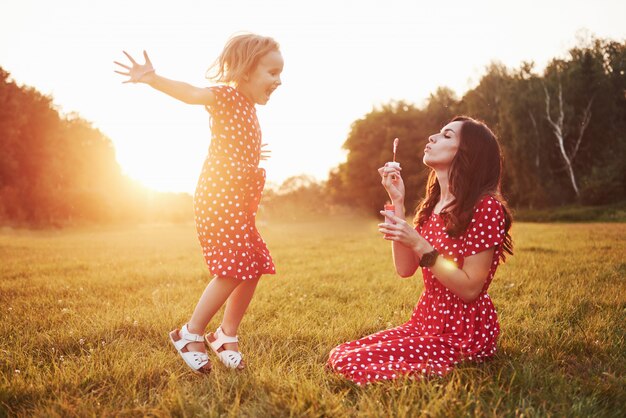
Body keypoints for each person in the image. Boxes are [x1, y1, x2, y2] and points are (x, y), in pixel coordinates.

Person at [114, 33, 284, 373]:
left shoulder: (248, 108)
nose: (278, 81)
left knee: (254, 264)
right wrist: (152, 78)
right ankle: (189, 333)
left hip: (237, 198)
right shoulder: (226, 96)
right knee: (233, 267)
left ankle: (225, 334)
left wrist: (252, 154)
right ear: (247, 71)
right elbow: (192, 93)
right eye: (272, 73)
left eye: (280, 74)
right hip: (219, 198)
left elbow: (232, 143)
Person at [327, 116, 513, 385]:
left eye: (447, 136)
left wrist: (420, 244)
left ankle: (450, 364)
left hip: (462, 331)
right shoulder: (433, 206)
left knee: (350, 363)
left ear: (467, 154)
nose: (432, 137)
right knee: (342, 353)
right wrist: (397, 202)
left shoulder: (485, 208)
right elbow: (405, 269)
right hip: (427, 320)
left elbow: (471, 289)